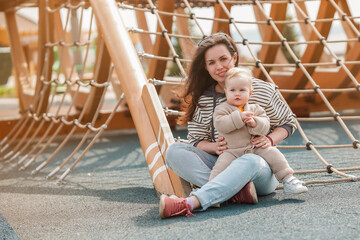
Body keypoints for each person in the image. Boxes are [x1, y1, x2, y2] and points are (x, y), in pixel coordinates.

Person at [159, 32, 303, 219]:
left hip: (260, 167)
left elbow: (288, 122)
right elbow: (196, 140)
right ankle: (236, 192)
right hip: (224, 161)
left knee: (249, 160)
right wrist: (214, 147)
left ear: (234, 57)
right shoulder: (202, 99)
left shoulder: (261, 90)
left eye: (223, 59)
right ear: (206, 67)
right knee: (174, 152)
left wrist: (269, 139)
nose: (219, 66)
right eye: (211, 62)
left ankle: (193, 202)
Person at [210, 67, 308, 196]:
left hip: (255, 147)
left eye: (242, 90)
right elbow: (221, 125)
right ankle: (210, 191)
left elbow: (265, 125)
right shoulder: (222, 109)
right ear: (226, 92)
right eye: (232, 90)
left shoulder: (256, 109)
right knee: (219, 168)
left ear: (250, 93)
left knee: (274, 154)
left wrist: (255, 122)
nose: (237, 93)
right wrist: (239, 117)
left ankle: (288, 179)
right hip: (231, 151)